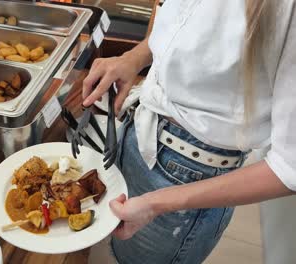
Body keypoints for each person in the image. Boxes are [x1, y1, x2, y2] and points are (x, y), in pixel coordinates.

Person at [83, 1, 296, 263]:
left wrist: (157, 203)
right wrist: (133, 58)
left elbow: (289, 168)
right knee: (119, 249)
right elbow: (177, 18)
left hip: (189, 177)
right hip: (140, 129)